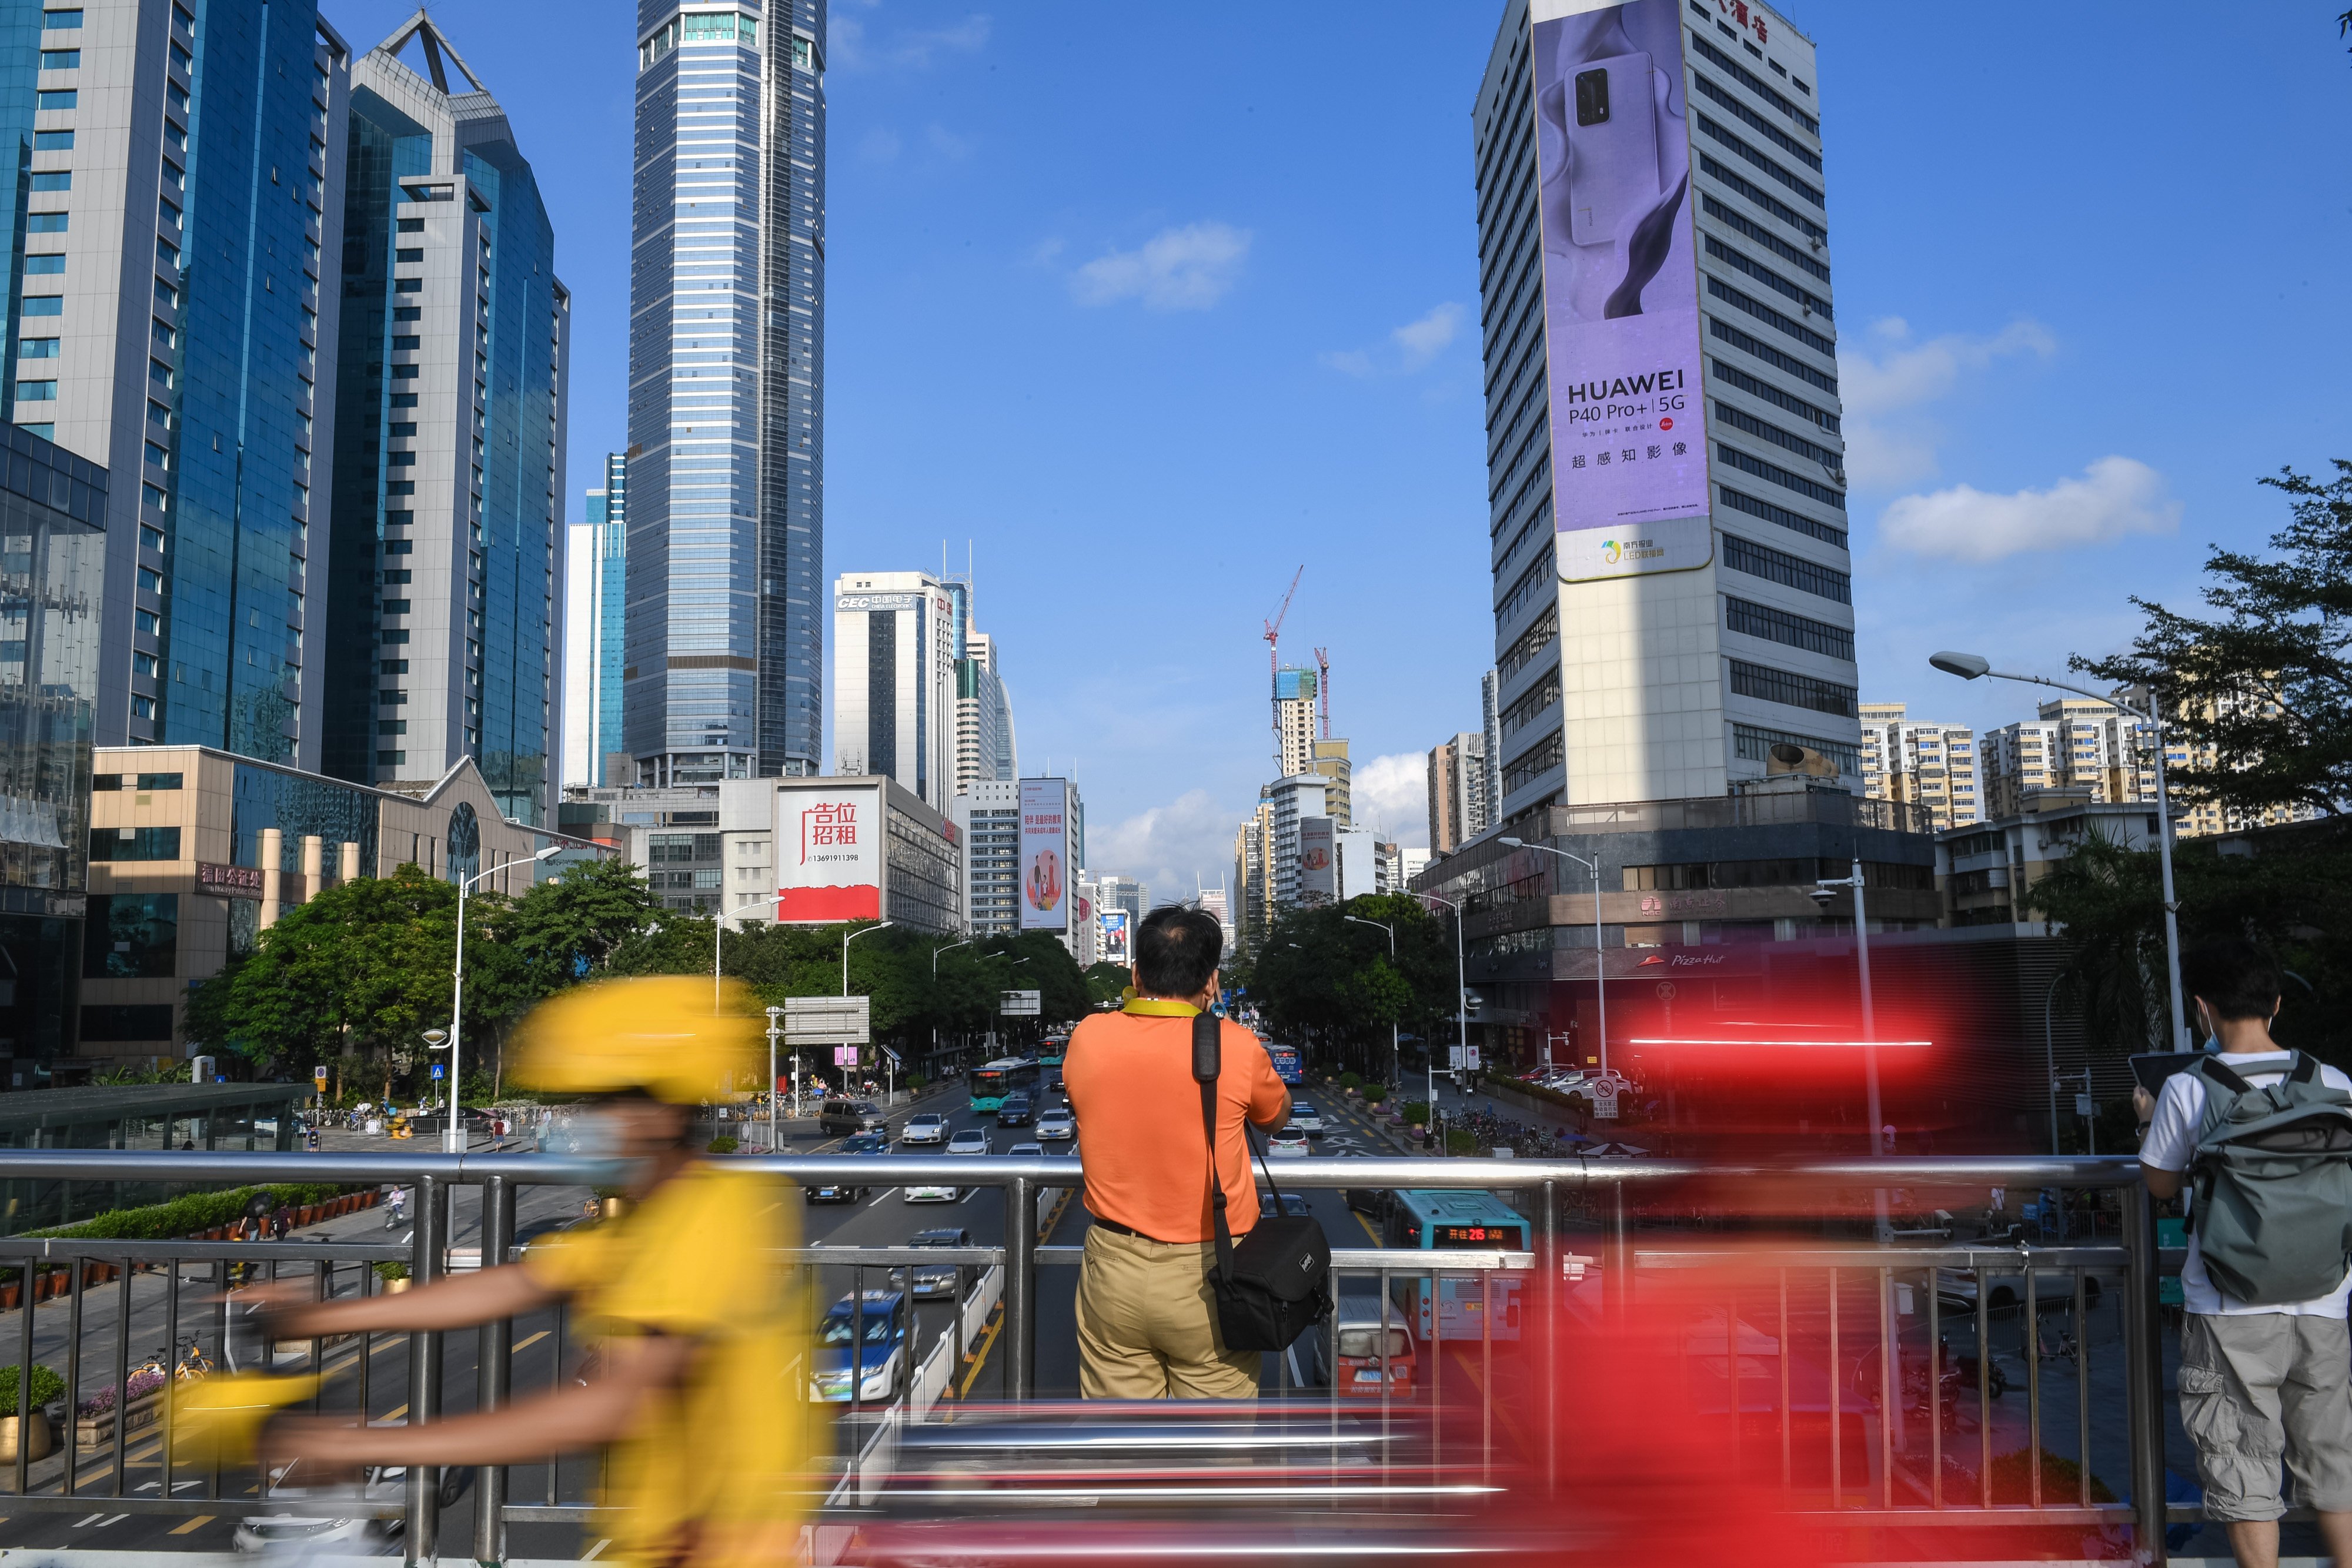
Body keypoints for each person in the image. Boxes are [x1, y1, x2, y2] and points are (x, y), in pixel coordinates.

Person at [250, 977, 806, 1568]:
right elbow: (515, 1283)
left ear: (665, 1113)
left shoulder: (713, 1221)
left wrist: (364, 1445)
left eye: (609, 1102)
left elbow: (611, 1404)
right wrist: (317, 1316)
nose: (590, 1122)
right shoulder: (647, 1222)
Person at [2137, 937, 2352, 1568]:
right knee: (2333, 1458)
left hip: (2230, 1307)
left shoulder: (2187, 1088)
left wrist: (2145, 1118)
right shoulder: (2332, 1082)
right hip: (2323, 1298)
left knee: (2241, 1464)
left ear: (2202, 1010)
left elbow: (2160, 1183)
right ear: (2277, 1004)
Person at [1062, 904, 1289, 1399]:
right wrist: (1217, 1014)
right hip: (1211, 1273)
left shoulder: (1087, 1038)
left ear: (1135, 973)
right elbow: (1277, 1116)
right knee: (1212, 1461)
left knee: (1124, 1457)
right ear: (1211, 980)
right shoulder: (1237, 1044)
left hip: (1113, 1270)